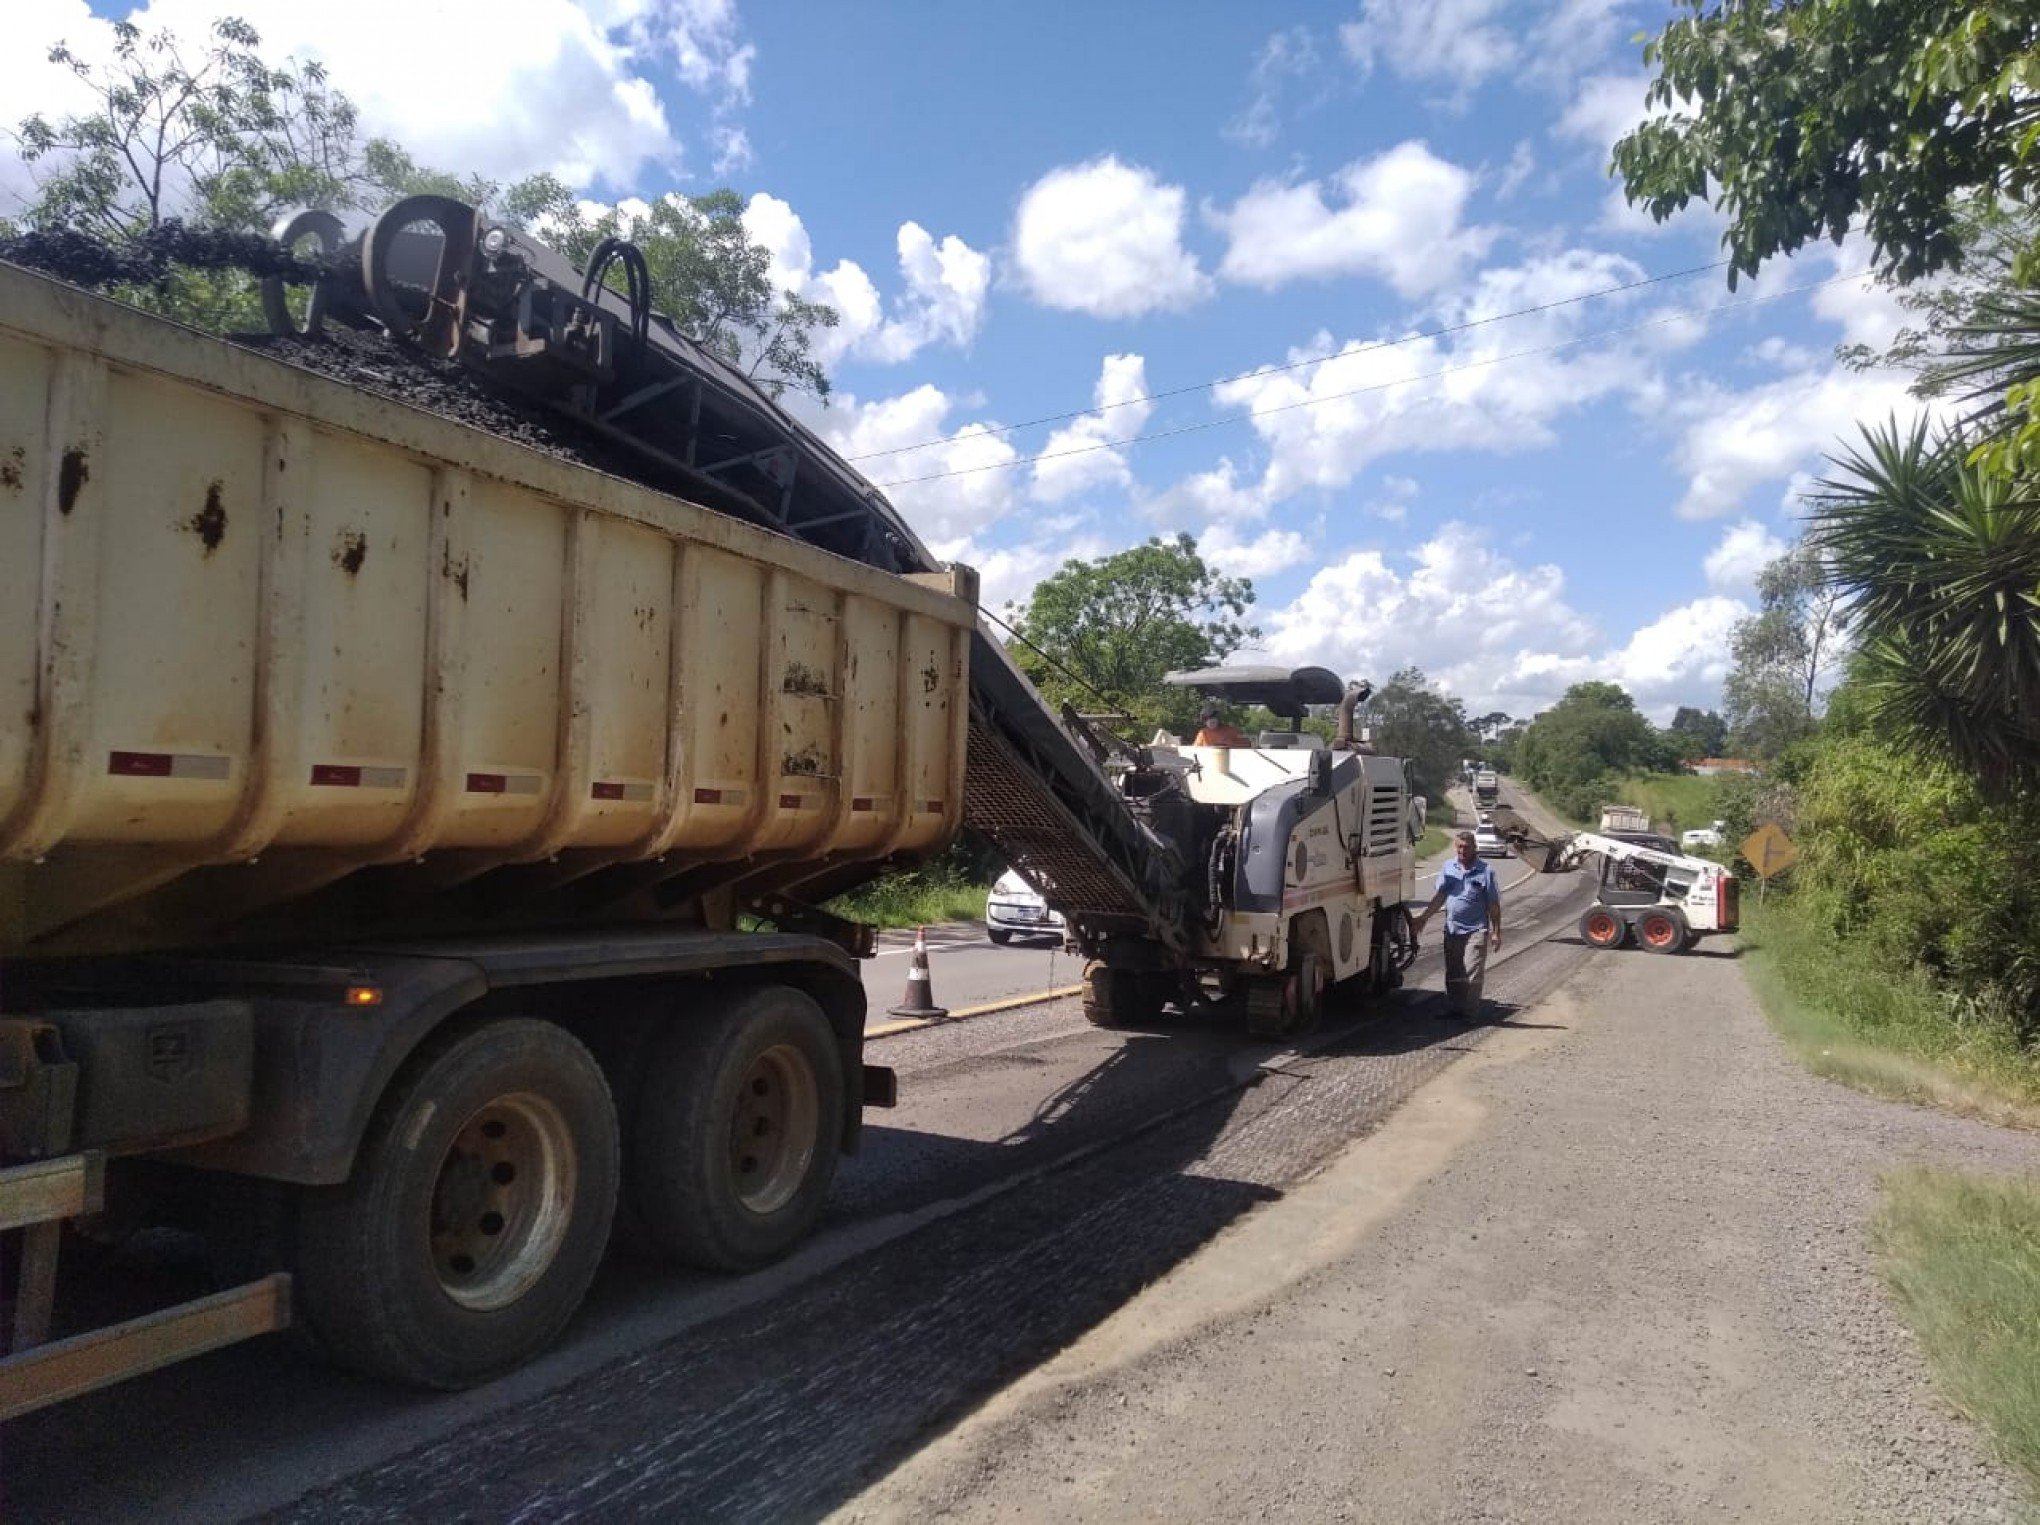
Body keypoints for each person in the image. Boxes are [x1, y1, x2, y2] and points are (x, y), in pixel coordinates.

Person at [1410, 830, 1502, 1018]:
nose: (1462, 851)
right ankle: (1454, 1006)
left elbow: (1493, 904)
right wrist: (1423, 918)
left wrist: (1496, 932)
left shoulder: (1486, 871)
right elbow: (1440, 897)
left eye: (1466, 847)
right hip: (1452, 928)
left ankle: (1470, 1011)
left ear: (1475, 848)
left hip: (1476, 929)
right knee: (1454, 971)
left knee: (1472, 971)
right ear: (1455, 847)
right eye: (1459, 846)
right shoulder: (1448, 867)